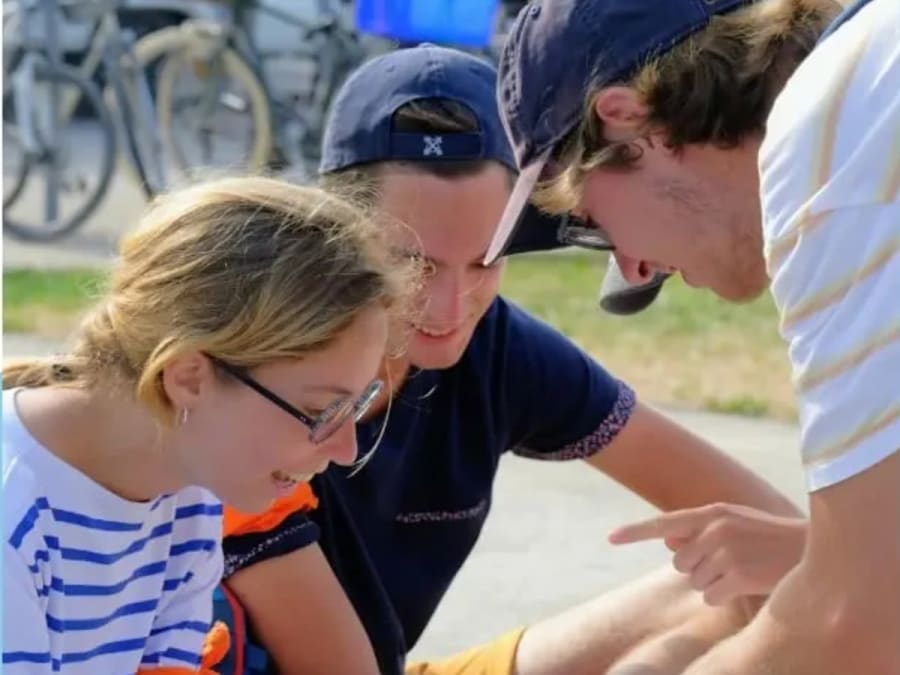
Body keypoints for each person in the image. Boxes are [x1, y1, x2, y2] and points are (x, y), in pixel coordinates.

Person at [218, 45, 805, 675]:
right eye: (412, 262)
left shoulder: (496, 345)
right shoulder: (244, 369)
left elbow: (776, 531)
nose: (448, 307)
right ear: (333, 230)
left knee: (746, 592)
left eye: (484, 260)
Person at [485, 0, 899, 671]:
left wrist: (838, 575)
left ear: (624, 120)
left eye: (589, 221)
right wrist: (824, 553)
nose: (633, 268)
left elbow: (853, 623)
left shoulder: (828, 139)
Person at [1, 176, 419, 674]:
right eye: (319, 412)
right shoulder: (14, 517)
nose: (345, 449)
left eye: (357, 405)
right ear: (188, 377)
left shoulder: (186, 491)